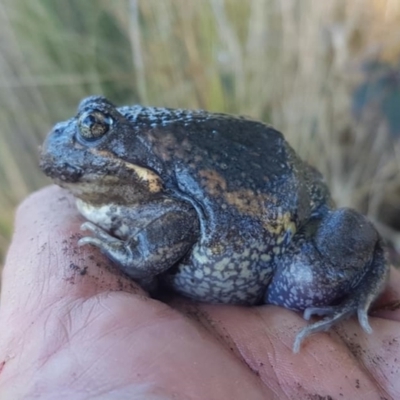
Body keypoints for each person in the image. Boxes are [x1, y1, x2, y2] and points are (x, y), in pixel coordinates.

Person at [0, 186, 399, 400]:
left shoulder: (160, 195)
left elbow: (178, 222)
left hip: (293, 226)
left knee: (309, 281)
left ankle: (361, 289)